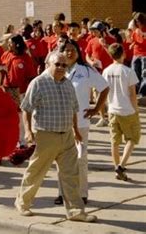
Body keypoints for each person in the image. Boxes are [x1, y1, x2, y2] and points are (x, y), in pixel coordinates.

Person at [14, 52, 97, 223]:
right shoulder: (38, 83)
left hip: (67, 136)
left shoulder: (68, 84)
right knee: (36, 172)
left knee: (71, 175)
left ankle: (75, 211)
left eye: (64, 65)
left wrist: (76, 130)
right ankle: (22, 203)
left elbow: (73, 109)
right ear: (48, 64)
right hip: (46, 136)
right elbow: (26, 109)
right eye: (57, 64)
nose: (60, 68)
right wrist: (28, 132)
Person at [54, 39, 109, 205]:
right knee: (61, 159)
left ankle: (82, 193)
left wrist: (96, 109)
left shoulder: (86, 70)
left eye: (73, 50)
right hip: (60, 123)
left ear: (78, 53)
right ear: (61, 52)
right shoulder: (55, 70)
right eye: (67, 50)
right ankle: (61, 193)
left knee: (80, 159)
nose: (70, 53)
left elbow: (105, 87)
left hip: (81, 123)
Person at [102, 43, 141, 181]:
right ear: (123, 54)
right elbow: (132, 94)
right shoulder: (127, 71)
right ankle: (121, 165)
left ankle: (116, 166)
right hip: (127, 110)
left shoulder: (106, 71)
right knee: (132, 138)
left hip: (113, 109)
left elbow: (104, 90)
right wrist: (135, 109)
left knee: (115, 141)